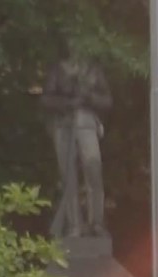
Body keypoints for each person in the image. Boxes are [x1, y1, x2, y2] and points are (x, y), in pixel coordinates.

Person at [41, 44, 112, 238]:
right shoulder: (58, 70)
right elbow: (46, 99)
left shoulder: (93, 71)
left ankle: (96, 222)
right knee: (68, 176)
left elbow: (107, 100)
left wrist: (89, 97)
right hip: (64, 126)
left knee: (93, 169)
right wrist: (68, 103)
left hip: (87, 124)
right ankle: (74, 225)